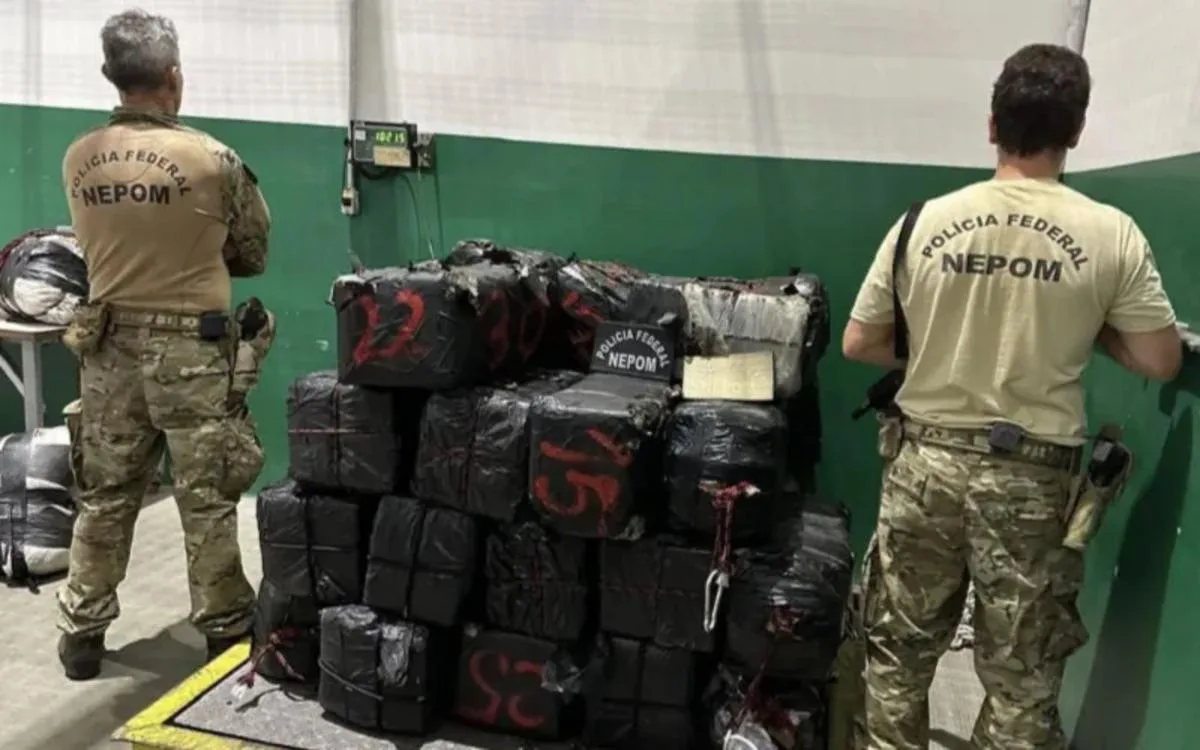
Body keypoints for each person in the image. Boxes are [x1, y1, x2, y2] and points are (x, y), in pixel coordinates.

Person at [843, 43, 1181, 750]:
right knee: (1021, 679)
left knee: (898, 655)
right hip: (1033, 480)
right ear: (1076, 131)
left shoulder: (922, 222)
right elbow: (1159, 357)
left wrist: (943, 345)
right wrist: (1089, 330)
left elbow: (861, 341)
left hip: (924, 468)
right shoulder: (1111, 233)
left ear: (993, 124)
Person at [56, 8, 271, 681]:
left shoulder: (78, 157)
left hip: (107, 353)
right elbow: (252, 252)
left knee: (105, 495)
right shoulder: (213, 160)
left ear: (110, 75)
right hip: (191, 356)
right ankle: (224, 629)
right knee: (205, 496)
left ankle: (82, 632)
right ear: (174, 76)